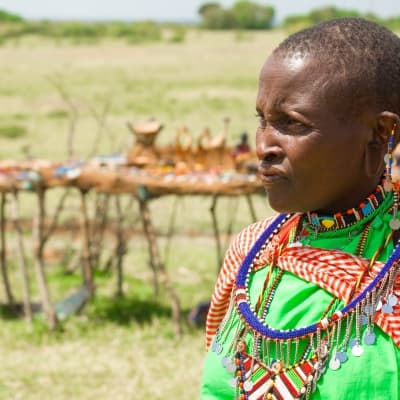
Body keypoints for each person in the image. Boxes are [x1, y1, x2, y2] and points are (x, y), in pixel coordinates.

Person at [201, 18, 400, 400]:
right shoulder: (252, 253)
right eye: (263, 120)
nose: (264, 146)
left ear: (381, 133)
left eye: (291, 123)